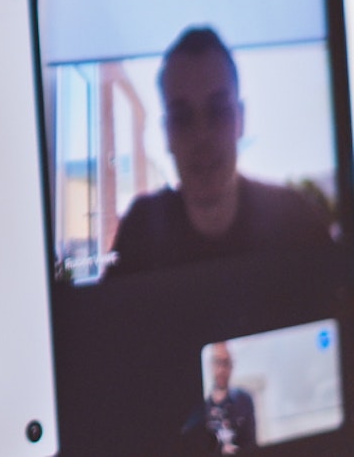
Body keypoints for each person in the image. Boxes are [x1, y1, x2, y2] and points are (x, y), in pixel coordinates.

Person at [106, 26, 331, 276]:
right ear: (166, 133)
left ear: (241, 120)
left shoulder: (295, 221)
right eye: (182, 117)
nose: (202, 136)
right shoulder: (140, 232)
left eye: (218, 111)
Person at [203, 342, 257, 453]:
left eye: (226, 363)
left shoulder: (244, 400)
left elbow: (251, 443)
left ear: (231, 366)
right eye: (217, 362)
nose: (221, 369)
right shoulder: (203, 409)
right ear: (210, 365)